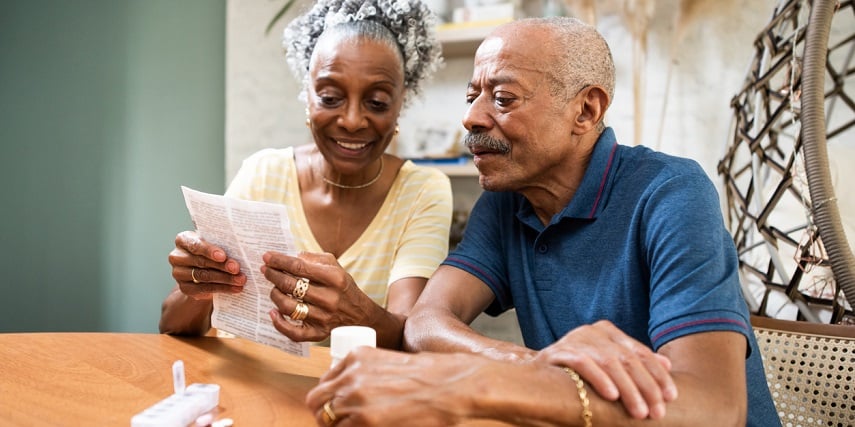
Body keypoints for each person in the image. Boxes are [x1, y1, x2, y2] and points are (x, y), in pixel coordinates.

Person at [305, 16, 780, 426]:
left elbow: (713, 410)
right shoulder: (507, 198)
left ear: (586, 110)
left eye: (503, 98)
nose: (471, 118)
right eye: (473, 97)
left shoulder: (671, 194)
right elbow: (425, 323)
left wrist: (474, 382)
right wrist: (533, 366)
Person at [158, 0, 452, 350]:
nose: (353, 120)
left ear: (400, 103)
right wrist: (200, 283)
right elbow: (171, 325)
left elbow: (408, 338)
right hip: (243, 387)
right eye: (330, 98)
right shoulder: (264, 173)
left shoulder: (421, 191)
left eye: (376, 102)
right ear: (307, 96)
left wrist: (354, 312)